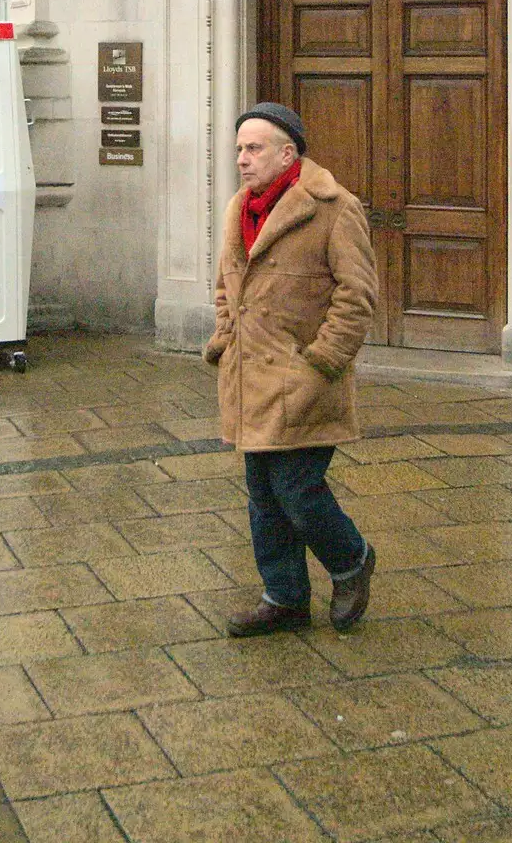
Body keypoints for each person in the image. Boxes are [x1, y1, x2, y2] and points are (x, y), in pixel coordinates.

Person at [204, 102, 378, 637]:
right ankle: (284, 597)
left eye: (254, 148)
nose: (242, 159)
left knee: (298, 492)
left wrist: (321, 362)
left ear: (288, 153)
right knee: (262, 495)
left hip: (304, 381)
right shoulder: (241, 208)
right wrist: (224, 339)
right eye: (238, 149)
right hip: (249, 379)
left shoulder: (334, 208)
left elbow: (357, 296)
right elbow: (226, 286)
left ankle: (351, 561)